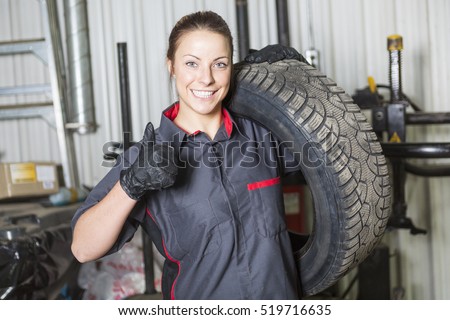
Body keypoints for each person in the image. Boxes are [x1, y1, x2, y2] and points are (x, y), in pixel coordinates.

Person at [71, 10, 306, 300]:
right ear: (171, 66)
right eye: (191, 63)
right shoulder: (146, 158)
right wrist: (131, 185)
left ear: (231, 68)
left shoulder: (263, 136)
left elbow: (337, 161)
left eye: (219, 64)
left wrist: (301, 86)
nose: (205, 78)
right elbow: (83, 248)